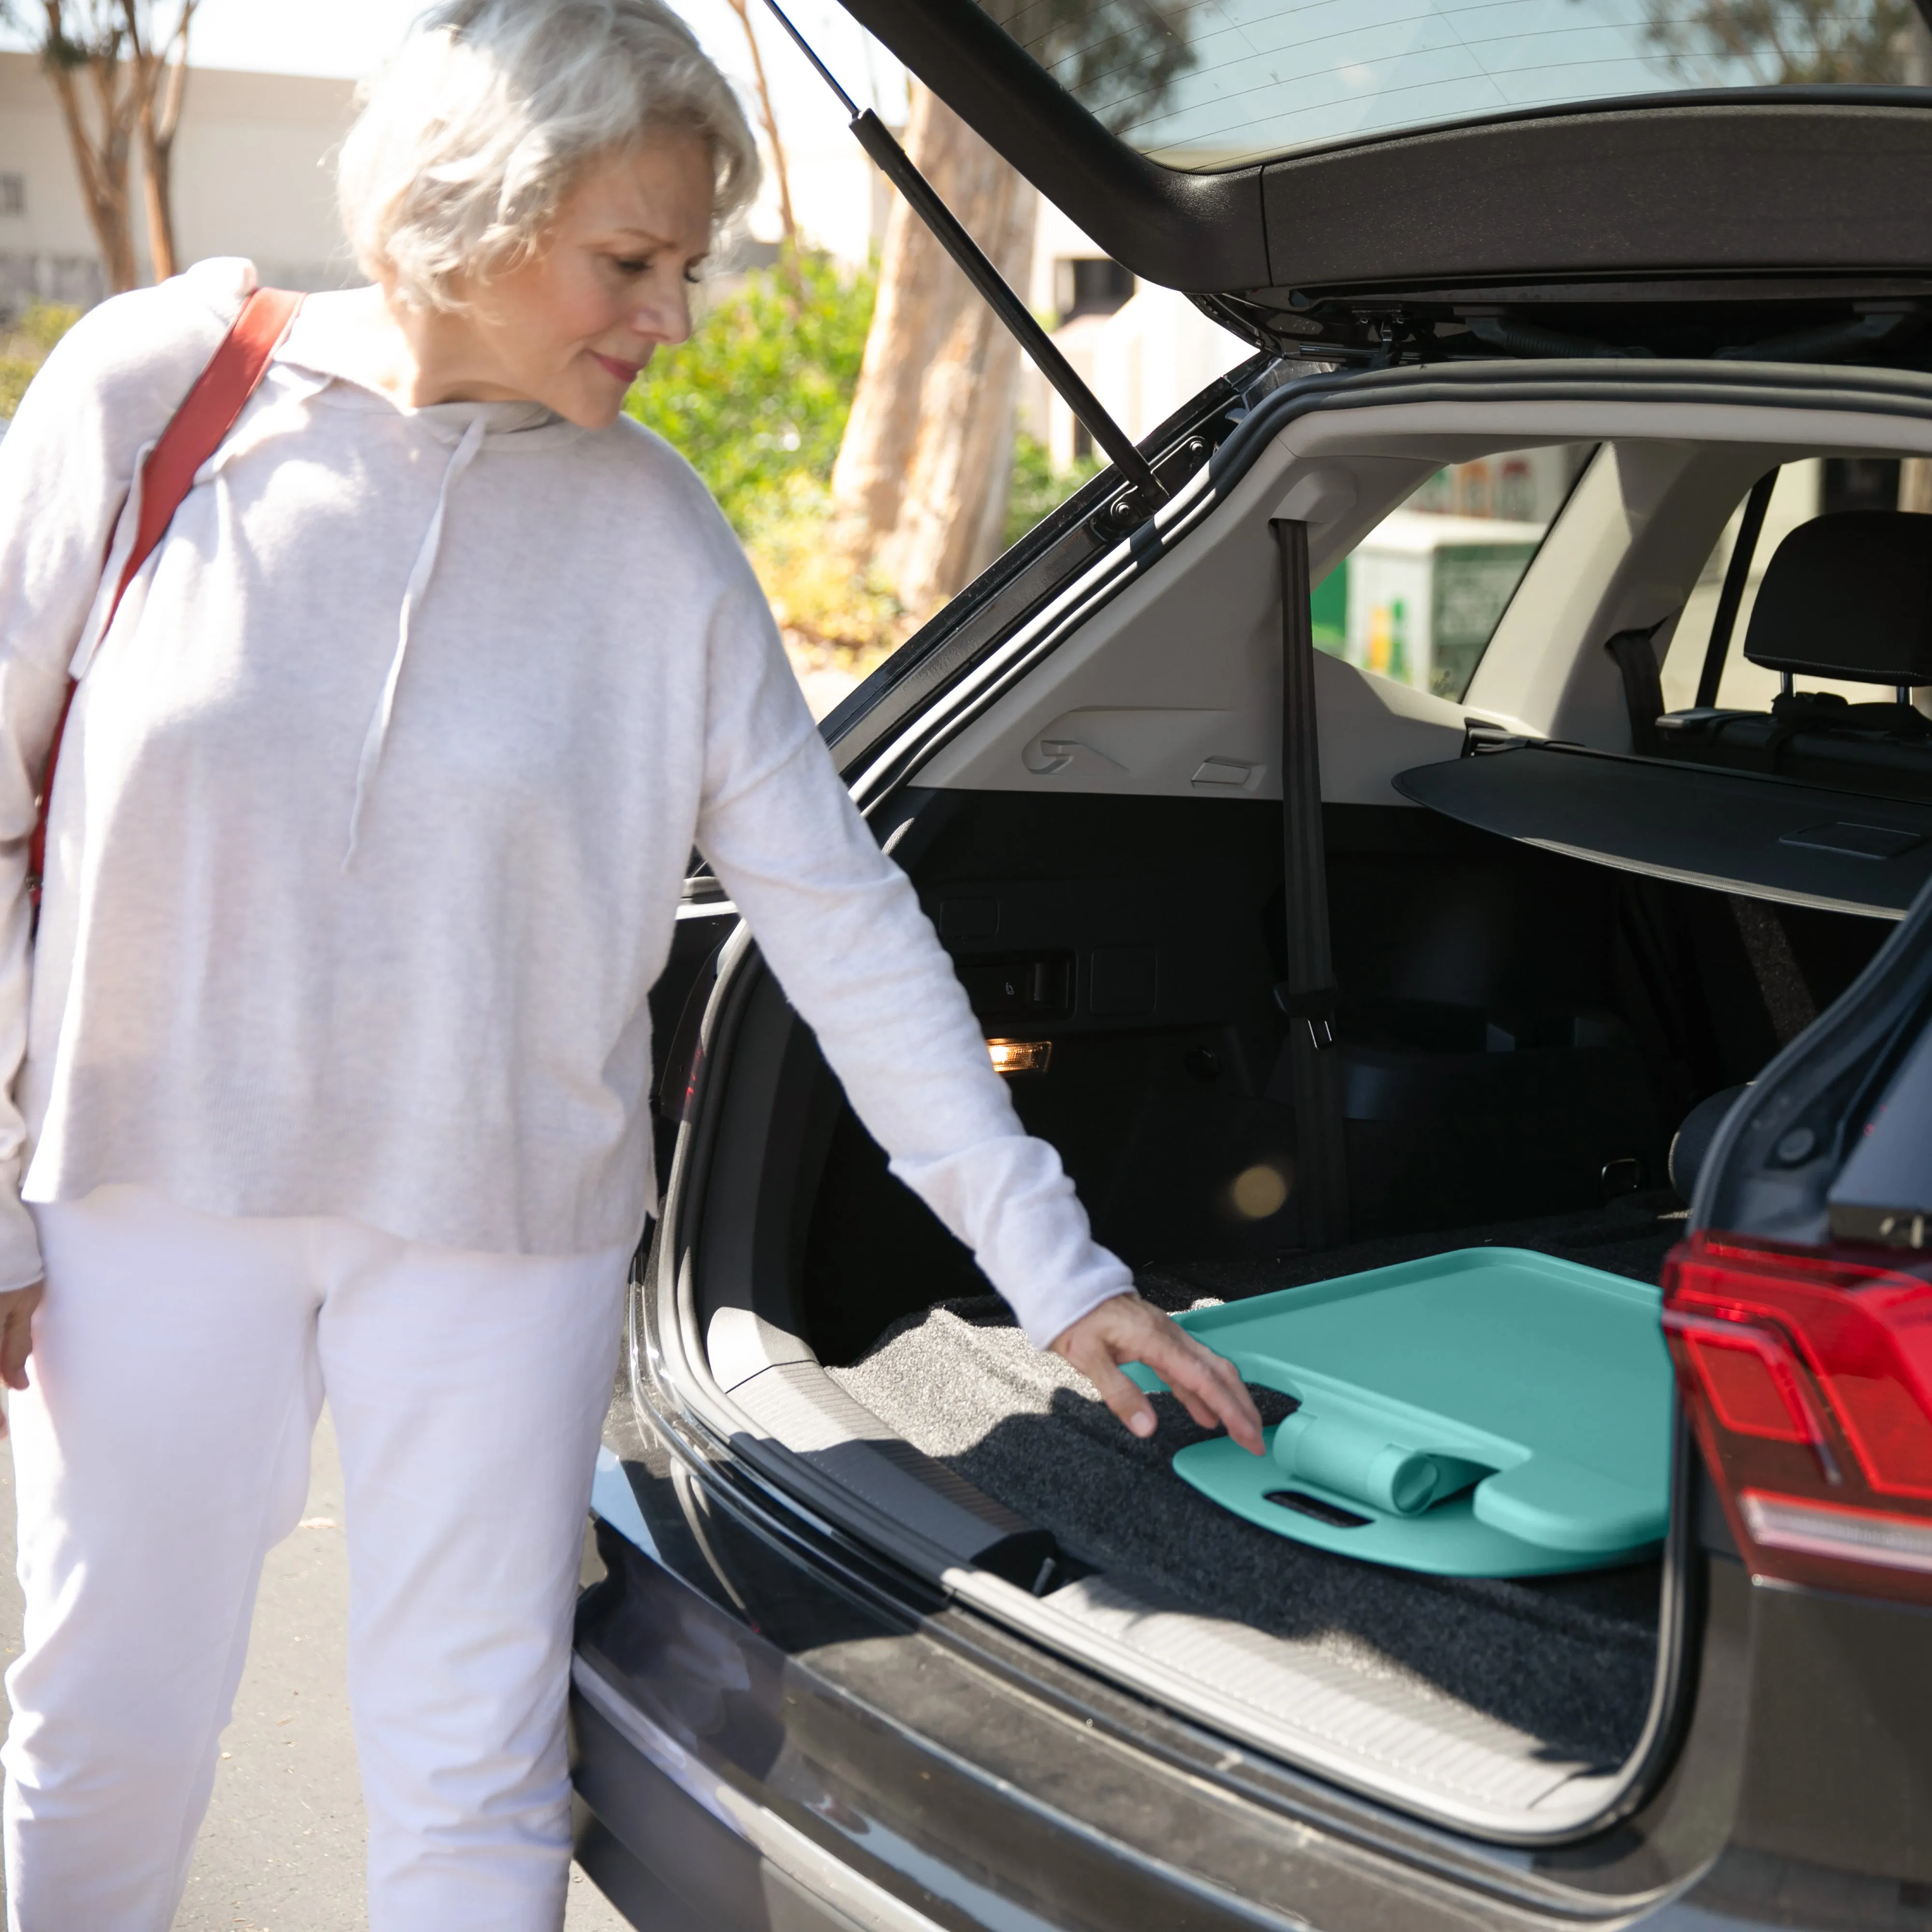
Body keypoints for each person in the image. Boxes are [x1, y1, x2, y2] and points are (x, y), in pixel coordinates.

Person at [0, 1, 1263, 1925]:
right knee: (103, 1728)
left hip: (502, 1231)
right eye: (630, 259)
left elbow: (842, 918)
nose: (672, 314)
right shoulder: (161, 392)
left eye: (687, 263)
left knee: (471, 1753)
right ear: (459, 212)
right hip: (146, 1190)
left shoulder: (660, 539)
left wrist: (1058, 1272)